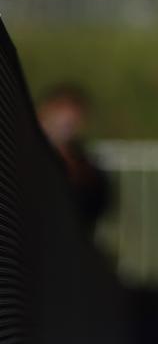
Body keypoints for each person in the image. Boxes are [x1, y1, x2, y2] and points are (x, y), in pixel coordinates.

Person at [36, 82, 112, 233]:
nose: (67, 120)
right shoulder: (27, 154)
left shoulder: (86, 164)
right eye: (61, 110)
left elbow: (99, 203)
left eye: (74, 114)